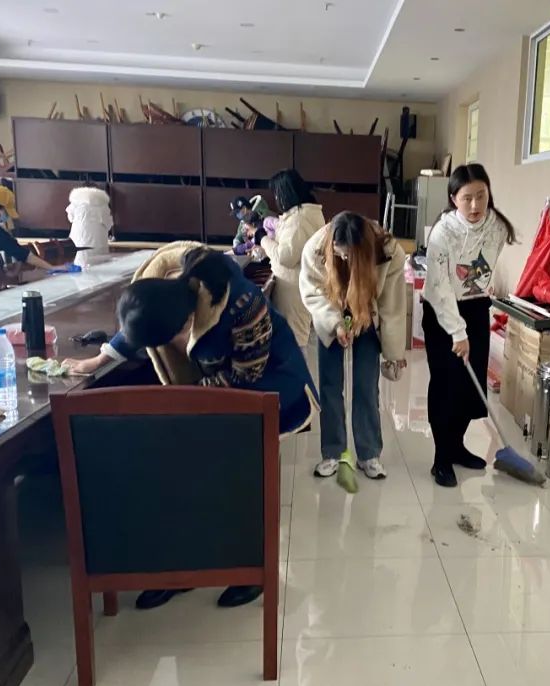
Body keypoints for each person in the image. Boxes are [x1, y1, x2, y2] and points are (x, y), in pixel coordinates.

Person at [107, 247, 318, 610]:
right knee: (188, 476)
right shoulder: (164, 291)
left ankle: (251, 569)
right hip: (215, 391)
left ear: (183, 324)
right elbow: (138, 319)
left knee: (242, 479)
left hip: (268, 387)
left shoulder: (243, 305)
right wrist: (102, 356)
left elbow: (247, 374)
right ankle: (184, 570)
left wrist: (188, 395)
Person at [422, 164, 517, 488]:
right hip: (441, 312)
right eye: (467, 198)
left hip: (476, 308)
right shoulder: (443, 233)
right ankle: (441, 457)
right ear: (454, 198)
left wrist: (472, 316)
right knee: (446, 385)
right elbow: (439, 288)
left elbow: (483, 270)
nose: (475, 205)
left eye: (481, 196)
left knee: (470, 384)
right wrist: (457, 332)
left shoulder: (497, 226)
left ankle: (457, 446)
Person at [300, 211, 407, 481]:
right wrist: (336, 324)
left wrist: (394, 353)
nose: (346, 260)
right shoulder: (315, 248)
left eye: (352, 256)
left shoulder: (388, 251)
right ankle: (333, 452)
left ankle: (369, 454)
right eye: (341, 254)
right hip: (331, 312)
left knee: (366, 385)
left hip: (368, 314)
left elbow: (392, 305)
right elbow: (312, 292)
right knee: (330, 386)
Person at [260, 169, 324, 347]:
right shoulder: (303, 215)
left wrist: (262, 239)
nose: (276, 199)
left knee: (294, 343)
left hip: (294, 292)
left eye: (277, 194)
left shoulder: (300, 220)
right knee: (291, 340)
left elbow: (286, 257)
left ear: (286, 193)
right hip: (297, 287)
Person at [65, 186, 113, 268]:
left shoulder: (74, 204)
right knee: (99, 266)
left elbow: (70, 218)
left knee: (79, 263)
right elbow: (108, 224)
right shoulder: (103, 205)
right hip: (97, 242)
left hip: (77, 241)